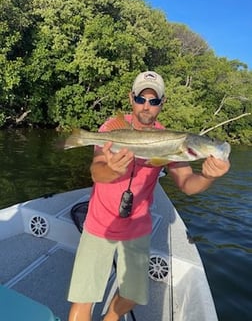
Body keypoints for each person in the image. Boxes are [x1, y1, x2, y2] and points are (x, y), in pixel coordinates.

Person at [67, 71, 230, 321]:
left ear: (162, 104)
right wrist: (111, 169)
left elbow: (187, 183)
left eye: (154, 101)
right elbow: (97, 173)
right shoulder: (112, 127)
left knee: (132, 296)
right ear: (131, 98)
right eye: (141, 98)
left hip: (137, 228)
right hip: (100, 223)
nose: (146, 106)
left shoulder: (172, 140)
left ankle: (110, 318)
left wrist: (208, 176)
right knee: (84, 296)